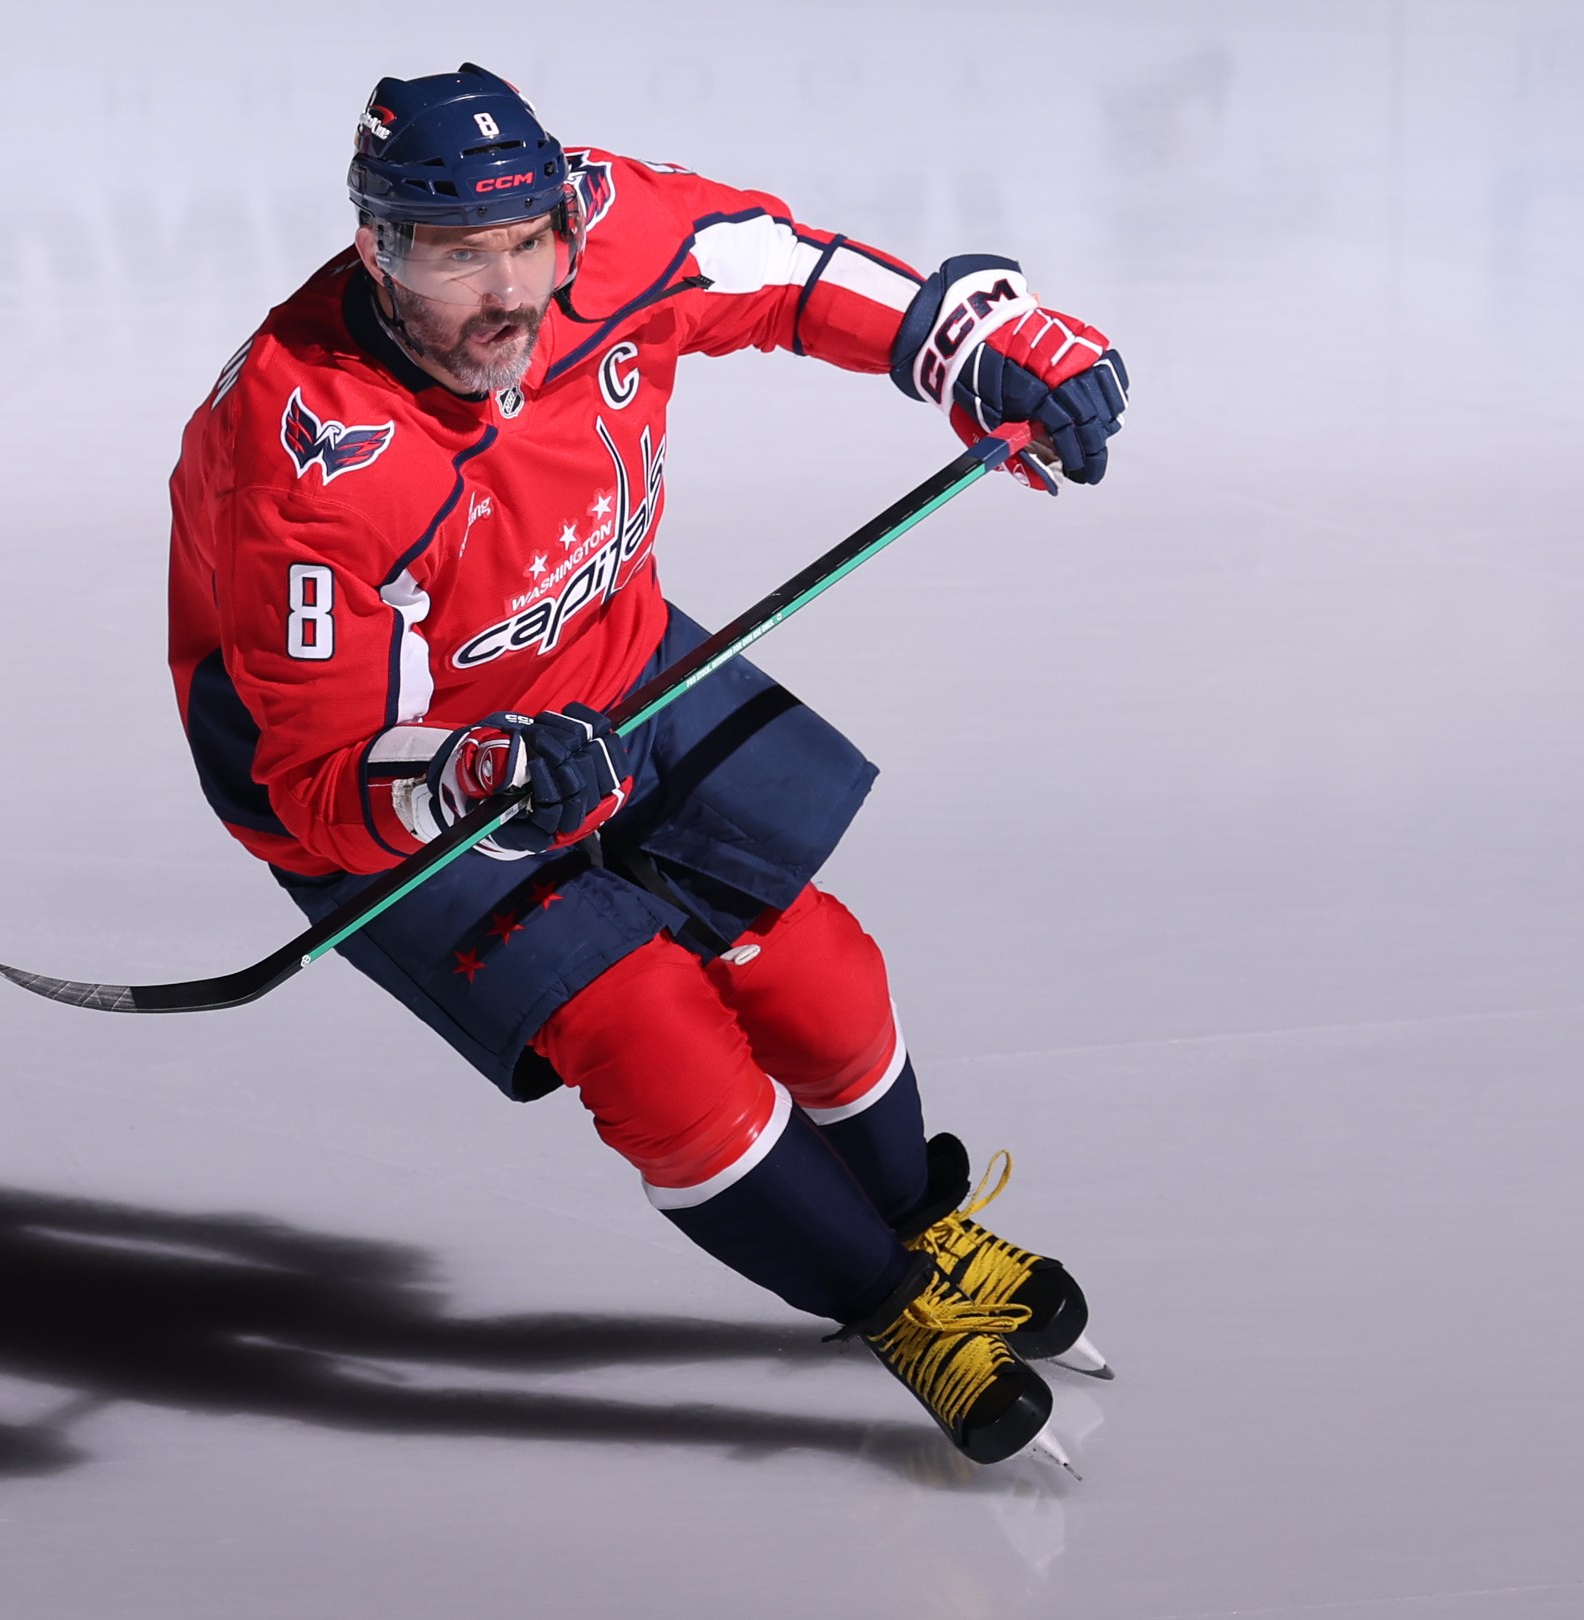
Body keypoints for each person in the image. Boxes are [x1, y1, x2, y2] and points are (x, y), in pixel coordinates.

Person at [164, 65, 1128, 1470]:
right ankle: (886, 1302)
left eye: (528, 243)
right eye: (455, 257)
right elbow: (316, 774)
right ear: (377, 249)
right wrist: (475, 769)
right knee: (657, 1042)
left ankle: (916, 1222)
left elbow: (780, 271)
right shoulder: (301, 448)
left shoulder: (604, 230)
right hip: (388, 775)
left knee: (817, 970)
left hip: (608, 660)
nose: (505, 291)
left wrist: (970, 342)